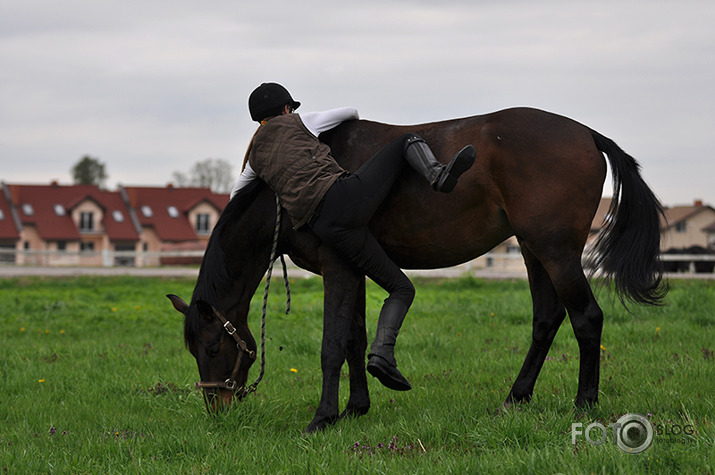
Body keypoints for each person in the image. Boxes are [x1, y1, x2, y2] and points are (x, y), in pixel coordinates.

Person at [231, 82, 475, 391]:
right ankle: (438, 177)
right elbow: (351, 113)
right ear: (285, 110)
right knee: (405, 141)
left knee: (401, 288)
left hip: (324, 229)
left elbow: (237, 197)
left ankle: (381, 356)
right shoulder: (301, 122)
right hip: (345, 200)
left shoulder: (255, 157)